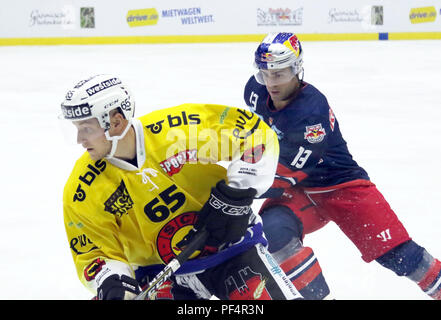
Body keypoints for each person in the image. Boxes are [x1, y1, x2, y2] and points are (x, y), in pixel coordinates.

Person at [60, 74, 302, 300]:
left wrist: (237, 194)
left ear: (115, 122)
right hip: (160, 274)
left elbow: (254, 133)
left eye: (87, 129)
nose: (79, 140)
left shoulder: (177, 130)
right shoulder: (83, 189)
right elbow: (92, 252)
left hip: (231, 248)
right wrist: (112, 278)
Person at [243, 32, 441, 300]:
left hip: (340, 185)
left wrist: (236, 189)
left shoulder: (311, 113)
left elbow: (285, 175)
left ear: (297, 68)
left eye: (279, 73)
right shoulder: (255, 92)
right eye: (265, 73)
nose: (271, 82)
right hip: (301, 188)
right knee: (272, 234)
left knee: (399, 255)